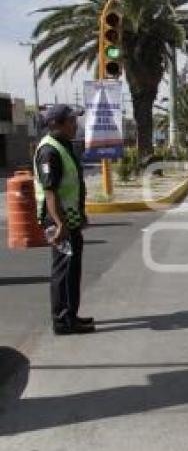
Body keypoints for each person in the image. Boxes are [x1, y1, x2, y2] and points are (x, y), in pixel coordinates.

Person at [33, 104, 95, 335]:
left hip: (69, 219)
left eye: (74, 120)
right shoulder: (49, 151)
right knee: (64, 270)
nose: (75, 124)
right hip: (57, 222)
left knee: (72, 269)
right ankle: (62, 320)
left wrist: (79, 215)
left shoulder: (63, 145)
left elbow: (72, 187)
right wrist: (60, 224)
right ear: (54, 124)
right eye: (70, 121)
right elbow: (50, 191)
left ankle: (71, 315)